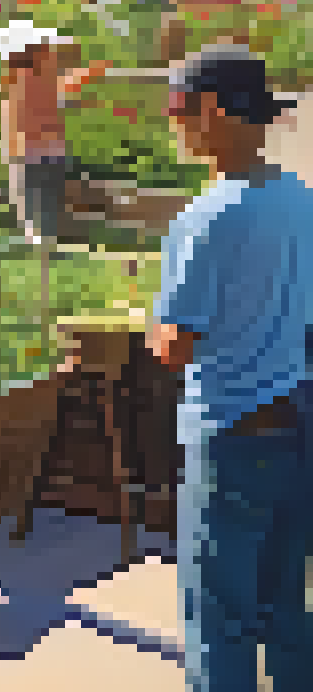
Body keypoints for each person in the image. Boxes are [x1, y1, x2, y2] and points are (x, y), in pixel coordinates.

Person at [150, 45, 313, 692]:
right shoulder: (300, 199)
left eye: (176, 107)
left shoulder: (208, 217)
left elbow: (175, 346)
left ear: (212, 110)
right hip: (296, 428)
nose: (171, 121)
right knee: (286, 612)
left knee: (219, 621)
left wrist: (151, 323)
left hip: (231, 437)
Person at [0, 21, 111, 249]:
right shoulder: (38, 80)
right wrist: (87, 73)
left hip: (28, 154)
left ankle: (41, 243)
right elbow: (64, 88)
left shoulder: (16, 80)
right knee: (46, 201)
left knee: (31, 203)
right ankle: (48, 242)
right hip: (46, 153)